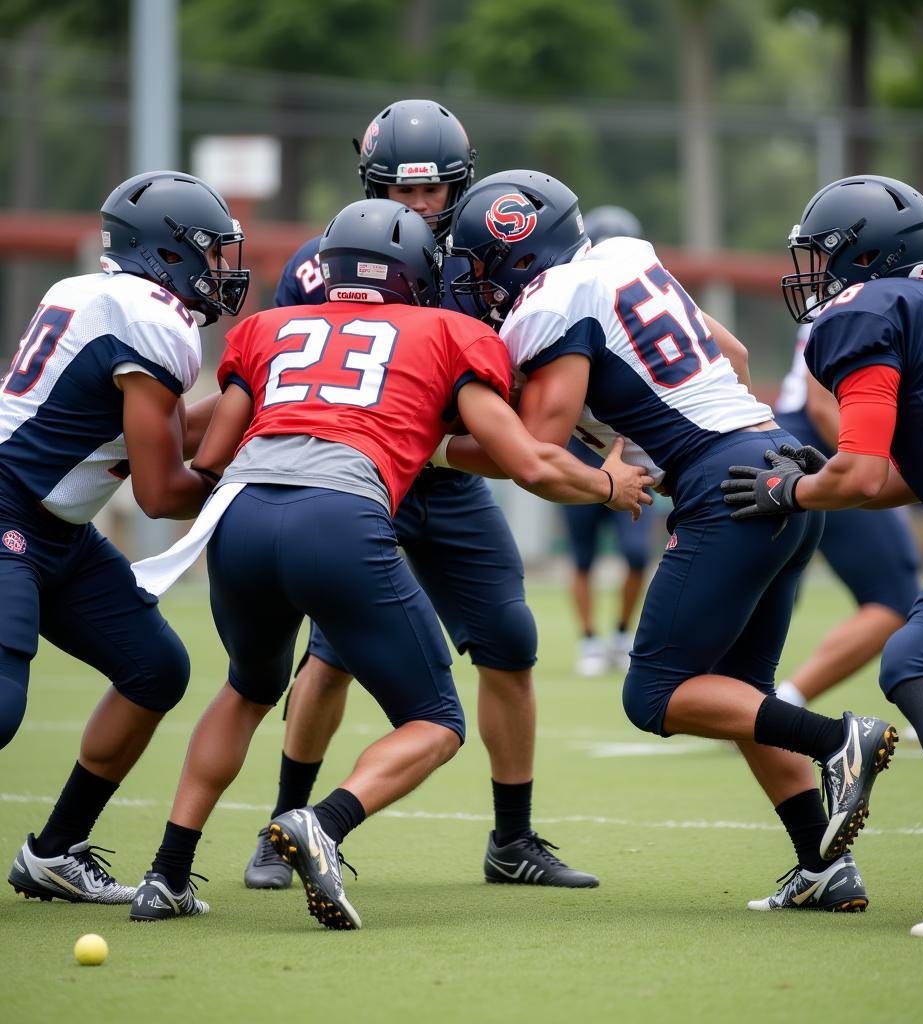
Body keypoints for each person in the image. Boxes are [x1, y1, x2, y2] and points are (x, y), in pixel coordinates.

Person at [127, 200, 652, 929]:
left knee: (247, 689)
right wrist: (607, 483)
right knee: (435, 719)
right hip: (343, 518)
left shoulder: (266, 329)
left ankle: (166, 875)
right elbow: (529, 460)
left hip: (240, 518)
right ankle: (321, 822)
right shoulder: (449, 330)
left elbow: (210, 458)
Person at [442, 169, 898, 913]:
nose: (476, 281)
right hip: (779, 462)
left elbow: (534, 453)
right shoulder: (625, 257)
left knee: (653, 692)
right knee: (738, 694)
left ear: (516, 253)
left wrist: (432, 448)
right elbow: (741, 360)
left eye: (479, 262)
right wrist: (655, 444)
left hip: (728, 488)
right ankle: (822, 866)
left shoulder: (552, 303)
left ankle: (836, 739)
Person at [244, 99, 601, 892]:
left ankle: (513, 839)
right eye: (399, 191)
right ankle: (283, 827)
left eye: (433, 192)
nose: (416, 207)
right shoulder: (322, 261)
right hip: (359, 478)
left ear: (460, 187)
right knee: (332, 655)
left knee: (510, 639)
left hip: (454, 478)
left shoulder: (488, 258)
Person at [724, 173, 923, 937]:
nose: (815, 277)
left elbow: (857, 471)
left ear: (864, 258)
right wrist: (814, 481)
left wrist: (788, 494)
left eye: (825, 258)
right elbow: (897, 476)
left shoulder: (871, 310)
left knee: (913, 661)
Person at [2, 170, 249, 904]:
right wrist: (247, 480)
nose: (221, 272)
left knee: (154, 667)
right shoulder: (153, 320)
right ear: (167, 253)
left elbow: (159, 437)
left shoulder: (91, 293)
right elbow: (162, 491)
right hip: (11, 510)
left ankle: (55, 852)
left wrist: (252, 409)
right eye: (210, 254)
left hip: (56, 524)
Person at [772, 321, 920, 709]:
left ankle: (754, 702)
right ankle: (772, 707)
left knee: (772, 593)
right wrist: (881, 463)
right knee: (893, 598)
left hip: (796, 442)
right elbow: (822, 404)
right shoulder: (857, 304)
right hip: (823, 448)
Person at [563, 206, 652, 676]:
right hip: (582, 447)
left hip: (630, 445)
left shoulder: (651, 307)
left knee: (637, 551)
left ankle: (621, 632)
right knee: (582, 554)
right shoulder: (568, 307)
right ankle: (589, 640)